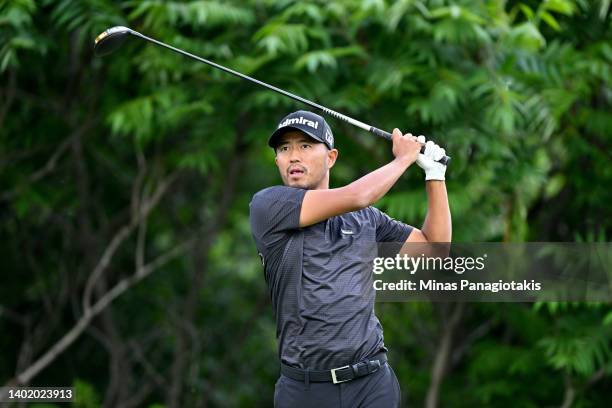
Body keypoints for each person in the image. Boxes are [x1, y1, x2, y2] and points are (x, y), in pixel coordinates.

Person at [249, 110, 451, 407]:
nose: (293, 156)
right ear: (277, 160)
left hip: (371, 384)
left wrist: (435, 175)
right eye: (284, 148)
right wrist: (403, 159)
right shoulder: (268, 206)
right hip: (305, 390)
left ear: (330, 157)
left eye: (305, 146)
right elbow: (358, 195)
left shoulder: (365, 219)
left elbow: (435, 250)